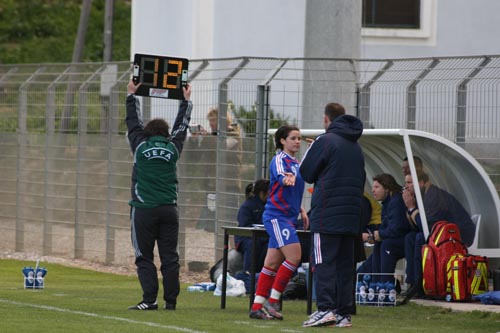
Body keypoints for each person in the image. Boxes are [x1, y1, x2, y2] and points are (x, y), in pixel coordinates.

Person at [125, 79, 192, 310]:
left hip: (143, 209)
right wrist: (186, 101)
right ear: (166, 134)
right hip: (169, 209)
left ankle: (149, 300)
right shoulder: (173, 148)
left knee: (144, 256)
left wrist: (131, 96)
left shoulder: (140, 146)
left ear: (147, 133)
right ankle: (171, 302)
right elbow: (181, 127)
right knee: (170, 257)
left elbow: (133, 123)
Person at [299, 102, 365, 328]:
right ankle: (344, 314)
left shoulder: (324, 141)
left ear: (327, 120)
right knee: (345, 266)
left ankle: (325, 308)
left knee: (322, 262)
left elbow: (306, 172)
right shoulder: (356, 146)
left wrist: (313, 148)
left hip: (326, 215)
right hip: (351, 217)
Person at [249, 125, 309, 320]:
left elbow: (291, 191)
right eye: (293, 138)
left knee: (272, 263)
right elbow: (282, 177)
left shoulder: (297, 162)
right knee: (294, 257)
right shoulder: (279, 160)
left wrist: (299, 209)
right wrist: (286, 179)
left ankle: (257, 307)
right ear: (282, 141)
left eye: (299, 138)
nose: (297, 141)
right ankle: (273, 301)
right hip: (277, 217)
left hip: (287, 217)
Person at [402, 171, 476, 295]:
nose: (406, 187)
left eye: (409, 183)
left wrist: (411, 207)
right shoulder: (423, 195)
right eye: (406, 183)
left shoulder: (433, 196)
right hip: (443, 233)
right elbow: (419, 227)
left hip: (458, 235)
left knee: (420, 238)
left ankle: (421, 285)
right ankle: (413, 283)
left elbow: (425, 227)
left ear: (421, 183)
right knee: (410, 237)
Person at [357, 174, 412, 283]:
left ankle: (385, 284)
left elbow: (397, 228)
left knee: (386, 244)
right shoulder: (387, 203)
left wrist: (379, 235)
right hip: (398, 238)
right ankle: (377, 283)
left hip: (407, 239)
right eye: (373, 187)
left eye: (377, 187)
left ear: (387, 188)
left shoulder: (396, 201)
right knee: (379, 244)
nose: (373, 190)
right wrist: (375, 236)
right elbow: (387, 227)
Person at [235, 179, 270, 275]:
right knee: (253, 244)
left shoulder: (268, 206)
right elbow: (245, 226)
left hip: (263, 237)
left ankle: (263, 274)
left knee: (270, 246)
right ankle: (248, 275)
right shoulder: (247, 206)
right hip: (246, 238)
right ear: (262, 193)